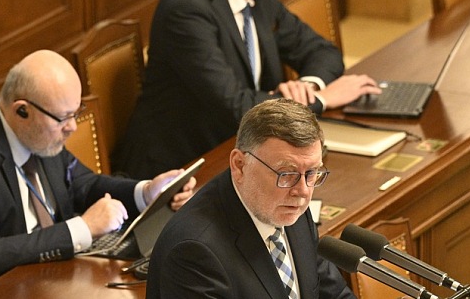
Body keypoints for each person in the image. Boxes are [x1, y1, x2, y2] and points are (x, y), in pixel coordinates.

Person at [112, 0, 380, 179]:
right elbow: (235, 106)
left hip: (243, 150)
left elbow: (321, 51)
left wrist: (308, 86)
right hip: (182, 167)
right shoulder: (187, 10)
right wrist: (321, 100)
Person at [0, 50, 197, 297]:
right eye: (63, 118)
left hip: (56, 277)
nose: (72, 127)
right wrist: (83, 228)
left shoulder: (38, 133)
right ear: (22, 110)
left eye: (76, 113)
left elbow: (83, 184)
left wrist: (146, 192)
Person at [146, 98, 356, 298]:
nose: (302, 191)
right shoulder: (194, 253)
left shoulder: (291, 206)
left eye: (312, 173)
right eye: (286, 174)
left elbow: (334, 294)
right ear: (240, 165)